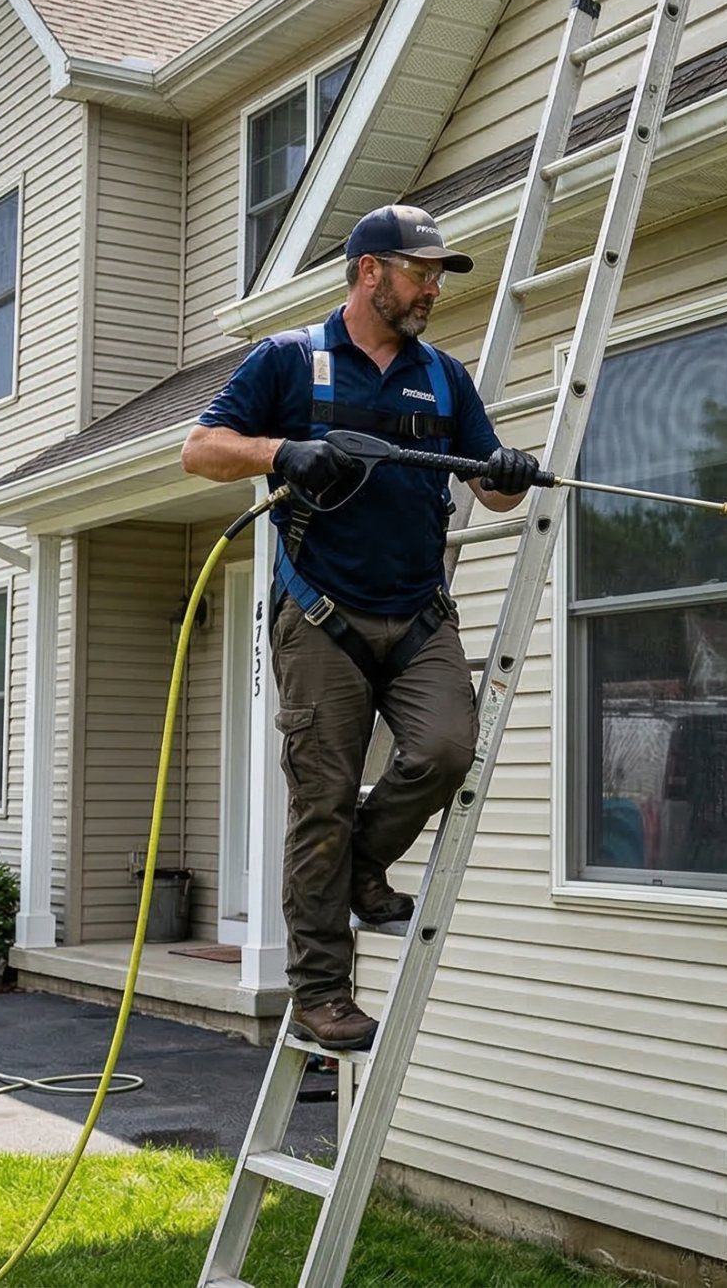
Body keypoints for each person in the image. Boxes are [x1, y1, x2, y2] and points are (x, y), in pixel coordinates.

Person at [181, 204, 539, 1050]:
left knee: (448, 749)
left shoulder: (443, 377)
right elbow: (199, 451)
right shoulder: (290, 360)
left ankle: (363, 865)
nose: (431, 289)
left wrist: (511, 474)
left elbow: (489, 489)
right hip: (320, 617)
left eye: (438, 277)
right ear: (370, 270)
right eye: (420, 273)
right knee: (322, 802)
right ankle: (321, 994)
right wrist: (281, 454)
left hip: (417, 616)